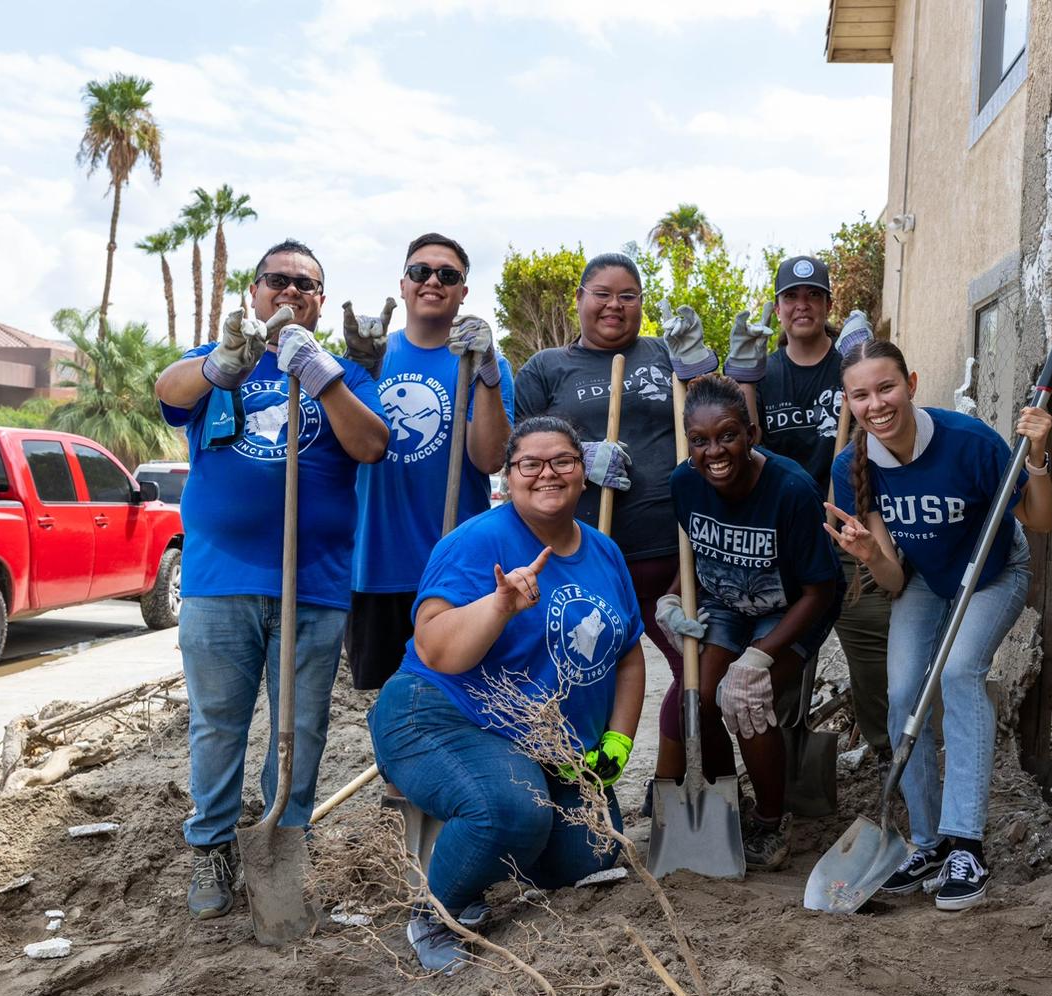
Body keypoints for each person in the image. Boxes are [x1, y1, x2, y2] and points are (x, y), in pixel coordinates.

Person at [155, 238, 389, 920]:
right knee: (218, 725)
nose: (290, 291)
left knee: (302, 725)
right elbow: (166, 393)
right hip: (218, 580)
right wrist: (222, 362)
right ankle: (212, 849)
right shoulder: (222, 362)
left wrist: (323, 378)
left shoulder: (339, 371)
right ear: (255, 291)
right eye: (277, 280)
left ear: (319, 300)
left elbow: (372, 444)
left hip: (312, 585)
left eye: (306, 284)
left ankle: (288, 835)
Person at [368, 416, 646, 973]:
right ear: (509, 475)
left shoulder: (604, 552)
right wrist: (498, 606)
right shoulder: (477, 541)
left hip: (538, 743)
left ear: (583, 474)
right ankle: (436, 913)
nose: (548, 473)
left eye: (563, 461)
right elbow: (438, 650)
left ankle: (486, 841)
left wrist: (617, 738)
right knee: (508, 810)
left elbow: (630, 654)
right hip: (437, 716)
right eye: (530, 464)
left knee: (592, 847)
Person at [827, 338, 1052, 911]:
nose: (876, 403)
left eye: (887, 387)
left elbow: (1043, 519)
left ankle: (966, 845)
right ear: (847, 402)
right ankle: (925, 843)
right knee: (903, 690)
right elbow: (896, 581)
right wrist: (867, 554)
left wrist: (1037, 457)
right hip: (926, 579)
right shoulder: (850, 468)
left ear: (912, 383)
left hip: (993, 573)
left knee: (957, 674)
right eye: (861, 395)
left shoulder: (967, 441)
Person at [514, 253, 689, 783]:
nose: (615, 305)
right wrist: (580, 455)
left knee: (695, 671)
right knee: (582, 672)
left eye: (628, 295)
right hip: (587, 552)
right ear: (580, 299)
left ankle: (667, 784)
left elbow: (711, 419)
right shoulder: (546, 367)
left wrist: (700, 363)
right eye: (602, 293)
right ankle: (571, 782)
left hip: (671, 546)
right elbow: (516, 450)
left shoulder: (664, 355)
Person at [664, 375, 843, 870]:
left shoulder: (791, 491)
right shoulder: (684, 483)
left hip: (791, 605)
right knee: (696, 697)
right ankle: (726, 805)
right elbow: (694, 552)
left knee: (744, 697)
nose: (713, 451)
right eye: (699, 441)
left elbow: (820, 590)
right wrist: (673, 598)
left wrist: (760, 657)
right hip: (725, 602)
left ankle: (770, 818)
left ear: (752, 434)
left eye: (727, 435)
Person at [349, 232, 515, 690]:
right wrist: (353, 369)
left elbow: (489, 459)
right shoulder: (371, 356)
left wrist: (486, 373)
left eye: (449, 275)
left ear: (463, 292)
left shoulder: (487, 366)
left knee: (457, 699)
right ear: (402, 285)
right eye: (421, 272)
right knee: (386, 703)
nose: (433, 281)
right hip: (376, 566)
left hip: (456, 568)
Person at [749, 257, 893, 754]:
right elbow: (748, 449)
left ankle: (887, 755)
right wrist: (743, 380)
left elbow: (887, 416)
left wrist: (865, 360)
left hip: (851, 532)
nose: (802, 305)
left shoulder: (852, 366)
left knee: (876, 659)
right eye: (792, 296)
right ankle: (785, 765)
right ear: (778, 307)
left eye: (813, 295)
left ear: (829, 304)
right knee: (784, 662)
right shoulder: (763, 374)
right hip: (787, 543)